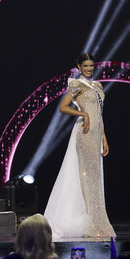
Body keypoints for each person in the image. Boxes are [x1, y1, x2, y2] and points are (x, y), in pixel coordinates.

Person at [44, 53, 115, 238]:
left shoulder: (97, 86)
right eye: (86, 66)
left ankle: (96, 219)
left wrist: (104, 138)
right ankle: (90, 220)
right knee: (88, 177)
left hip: (97, 133)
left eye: (91, 66)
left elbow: (99, 114)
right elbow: (63, 107)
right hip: (84, 132)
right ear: (79, 66)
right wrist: (83, 114)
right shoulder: (76, 84)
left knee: (95, 178)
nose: (90, 69)